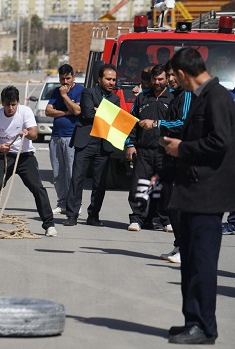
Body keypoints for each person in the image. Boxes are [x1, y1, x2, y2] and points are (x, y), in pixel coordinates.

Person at [155, 47, 235, 345]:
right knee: (189, 263)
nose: (174, 81)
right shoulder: (203, 98)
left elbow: (221, 142)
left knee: (201, 265)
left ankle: (205, 327)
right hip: (191, 193)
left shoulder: (218, 97)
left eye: (175, 76)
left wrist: (182, 149)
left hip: (207, 196)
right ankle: (193, 322)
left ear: (184, 74)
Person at [0, 86, 57, 237]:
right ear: (2, 103)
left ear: (18, 102)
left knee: (37, 187)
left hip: (25, 156)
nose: (11, 108)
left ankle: (49, 224)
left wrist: (27, 132)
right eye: (8, 104)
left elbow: (34, 132)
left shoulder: (25, 111)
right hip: (5, 156)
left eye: (13, 104)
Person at [139, 61, 193, 263]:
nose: (170, 79)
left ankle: (185, 247)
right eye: (168, 75)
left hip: (183, 157)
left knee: (177, 205)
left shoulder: (186, 94)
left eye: (173, 75)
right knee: (170, 204)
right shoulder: (176, 95)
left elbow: (183, 122)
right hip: (169, 154)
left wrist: (156, 123)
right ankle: (179, 245)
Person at [64, 64, 121, 227]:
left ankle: (93, 216)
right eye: (108, 79)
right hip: (86, 141)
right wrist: (104, 114)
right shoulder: (88, 92)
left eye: (114, 80)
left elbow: (114, 120)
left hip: (103, 144)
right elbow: (88, 113)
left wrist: (99, 111)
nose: (111, 82)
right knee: (77, 179)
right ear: (99, 79)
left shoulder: (115, 99)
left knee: (100, 183)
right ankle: (72, 215)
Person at [126, 64, 173, 232]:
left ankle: (165, 219)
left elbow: (178, 124)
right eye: (154, 79)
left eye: (160, 79)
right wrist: (130, 144)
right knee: (140, 185)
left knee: (165, 187)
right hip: (143, 150)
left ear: (166, 79)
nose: (157, 82)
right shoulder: (142, 98)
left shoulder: (173, 98)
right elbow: (132, 123)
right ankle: (137, 218)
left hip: (165, 151)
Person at [45, 64, 84, 215]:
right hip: (56, 137)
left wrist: (64, 97)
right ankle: (62, 203)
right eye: (62, 79)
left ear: (73, 77)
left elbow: (77, 110)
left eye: (68, 78)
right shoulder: (56, 90)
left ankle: (74, 204)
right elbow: (48, 111)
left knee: (72, 172)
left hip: (71, 137)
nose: (65, 82)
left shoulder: (80, 91)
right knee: (58, 172)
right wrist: (66, 112)